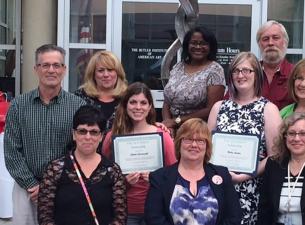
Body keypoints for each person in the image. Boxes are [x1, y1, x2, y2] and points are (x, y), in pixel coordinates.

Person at [4, 44, 85, 225]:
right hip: (26, 190)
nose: (51, 70)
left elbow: (80, 150)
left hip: (64, 188)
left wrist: (55, 184)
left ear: (64, 70)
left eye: (56, 65)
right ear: (36, 69)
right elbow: (12, 151)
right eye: (45, 65)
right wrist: (32, 185)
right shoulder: (18, 105)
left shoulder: (77, 106)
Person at [208, 52, 282, 225]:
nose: (240, 75)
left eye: (246, 70)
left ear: (257, 74)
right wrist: (222, 175)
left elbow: (275, 155)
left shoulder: (268, 109)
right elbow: (206, 147)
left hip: (252, 189)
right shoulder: (218, 107)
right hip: (218, 185)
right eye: (236, 71)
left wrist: (245, 175)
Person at [38, 105, 127, 225]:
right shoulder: (55, 168)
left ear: (101, 136)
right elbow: (45, 215)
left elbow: (120, 216)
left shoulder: (112, 170)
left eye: (94, 132)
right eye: (82, 131)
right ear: (74, 134)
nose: (88, 137)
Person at [102, 82, 177, 225]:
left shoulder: (162, 135)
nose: (138, 107)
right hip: (123, 210)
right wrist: (124, 182)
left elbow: (174, 174)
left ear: (150, 107)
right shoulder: (113, 137)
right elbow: (103, 176)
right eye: (133, 102)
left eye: (143, 103)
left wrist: (156, 179)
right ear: (125, 105)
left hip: (156, 209)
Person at [144, 118, 242, 225]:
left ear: (207, 145)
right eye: (188, 139)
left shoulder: (222, 174)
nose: (194, 145)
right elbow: (154, 218)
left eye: (200, 140)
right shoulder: (159, 177)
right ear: (179, 143)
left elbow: (234, 217)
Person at [162, 27, 225, 134]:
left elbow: (212, 109)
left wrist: (176, 121)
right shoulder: (178, 67)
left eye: (203, 43)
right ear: (187, 45)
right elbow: (167, 100)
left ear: (211, 47)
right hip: (170, 130)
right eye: (194, 43)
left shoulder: (215, 70)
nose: (198, 46)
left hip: (196, 131)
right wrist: (167, 124)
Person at [258, 113, 305, 225]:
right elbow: (265, 209)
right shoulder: (273, 165)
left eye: (303, 133)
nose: (296, 138)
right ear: (285, 137)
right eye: (291, 133)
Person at [75, 50, 128, 130]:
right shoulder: (79, 97)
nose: (106, 75)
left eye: (110, 70)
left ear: (118, 73)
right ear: (93, 74)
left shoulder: (128, 97)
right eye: (101, 70)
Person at [257, 20, 294, 110]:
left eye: (275, 38)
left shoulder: (295, 74)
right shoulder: (248, 73)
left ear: (285, 42)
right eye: (265, 39)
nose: (270, 43)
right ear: (259, 44)